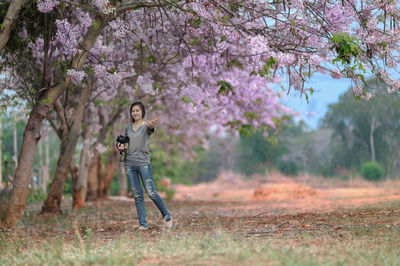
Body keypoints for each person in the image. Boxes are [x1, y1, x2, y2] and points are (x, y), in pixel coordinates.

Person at [117, 101, 173, 230]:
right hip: (130, 164)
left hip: (143, 163)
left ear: (142, 112)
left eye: (137, 110)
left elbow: (151, 129)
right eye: (133, 111)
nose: (135, 113)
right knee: (137, 195)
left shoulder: (146, 125)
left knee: (151, 192)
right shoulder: (128, 128)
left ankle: (167, 217)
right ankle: (143, 224)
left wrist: (152, 125)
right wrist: (120, 147)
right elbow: (125, 144)